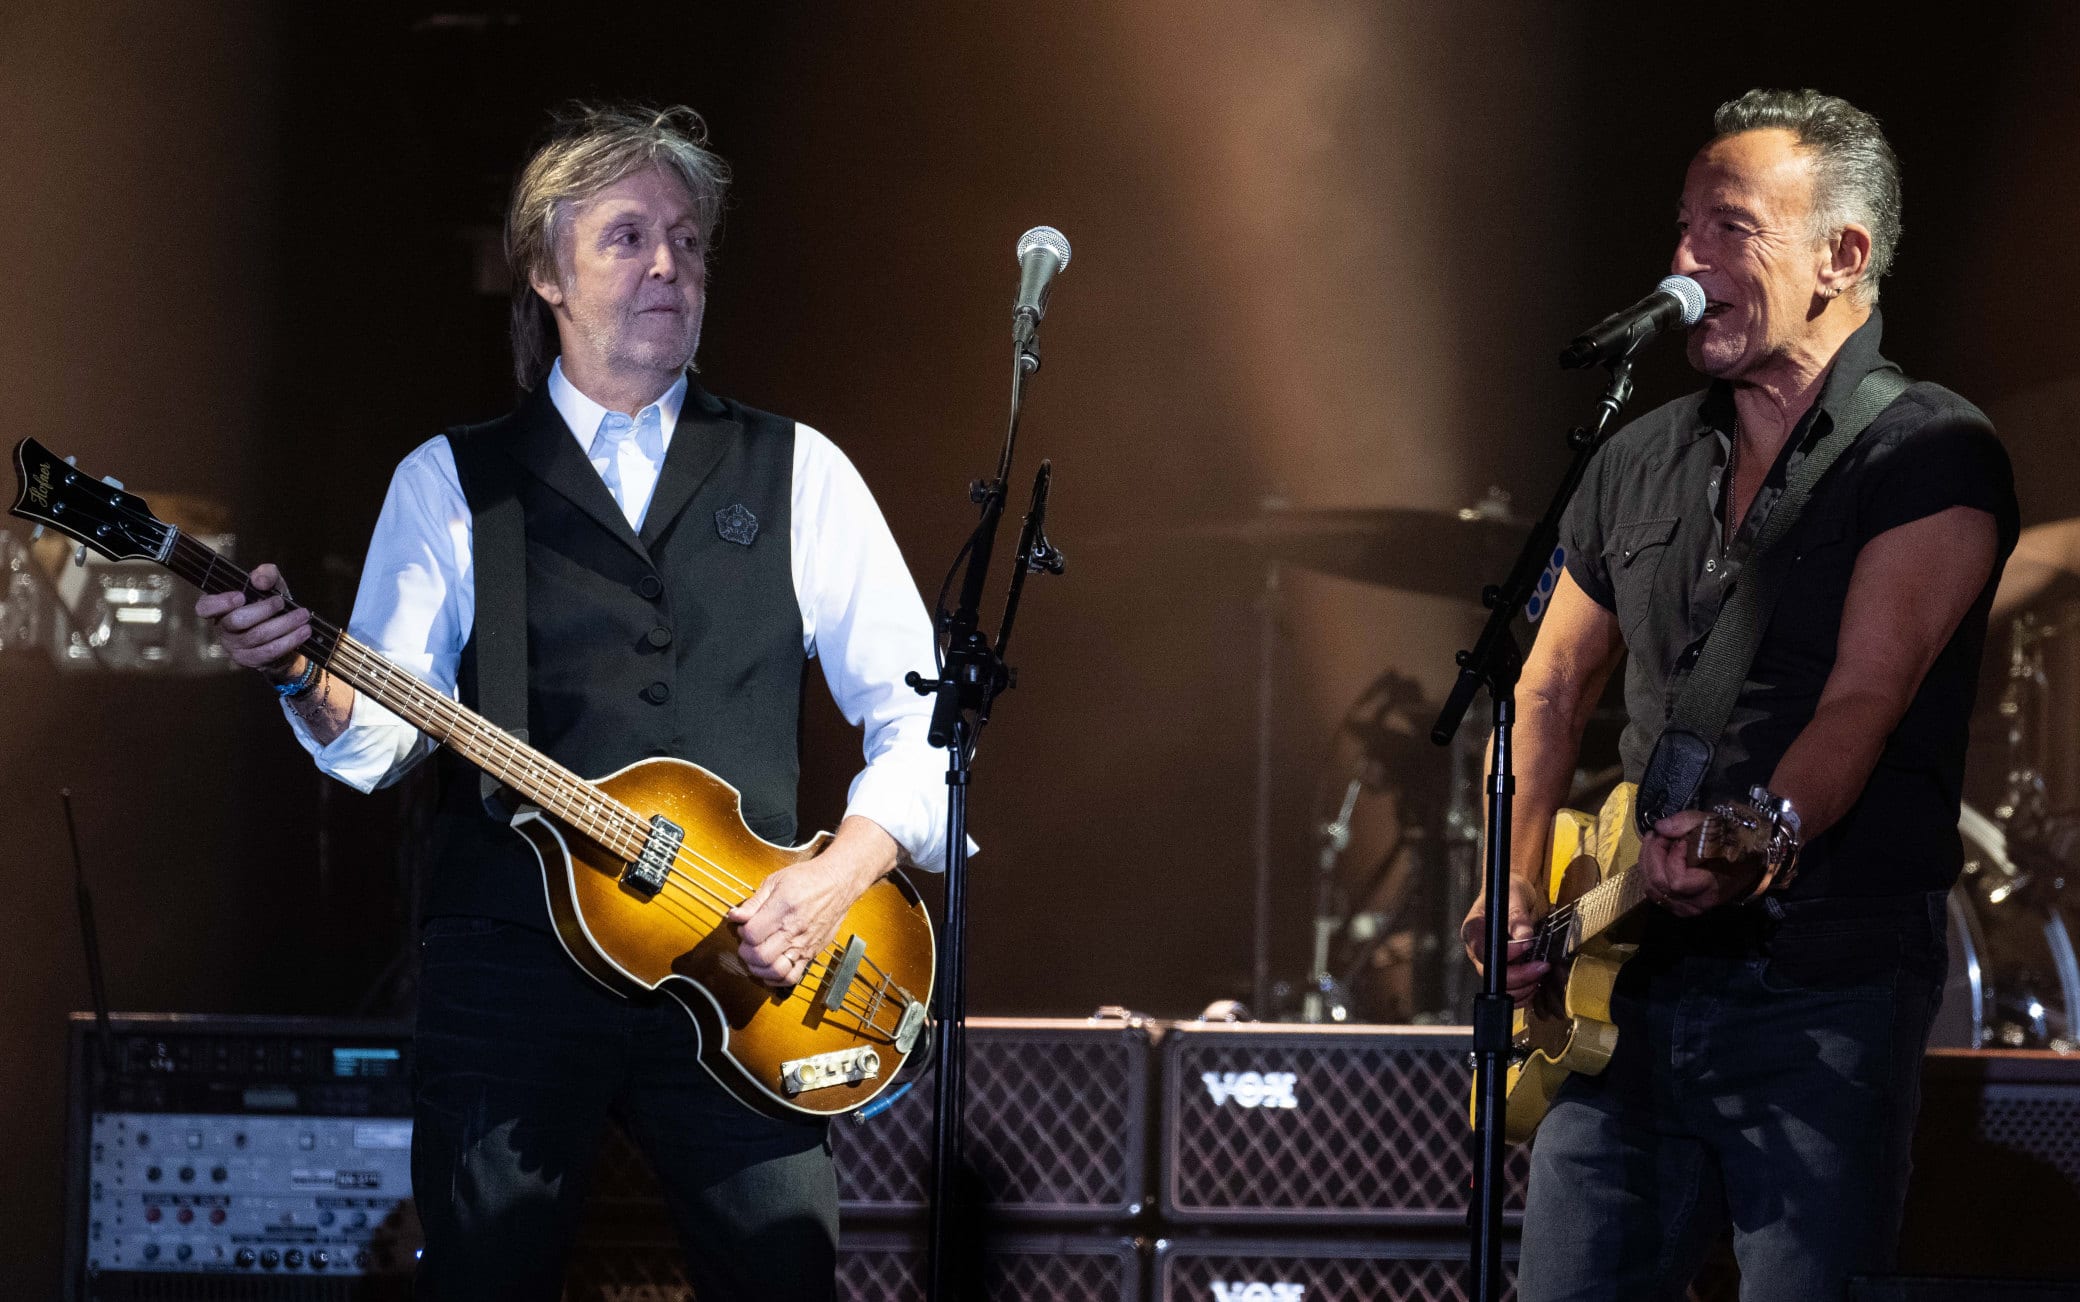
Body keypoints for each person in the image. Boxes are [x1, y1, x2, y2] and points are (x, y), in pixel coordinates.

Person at [196, 104, 949, 1301]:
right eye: (628, 237)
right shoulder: (451, 481)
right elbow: (383, 734)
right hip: (512, 967)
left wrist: (837, 873)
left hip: (754, 964)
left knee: (786, 1279)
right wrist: (302, 675)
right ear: (545, 272)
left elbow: (925, 720)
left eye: (689, 241)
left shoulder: (799, 467)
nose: (669, 265)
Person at [1461, 89, 2018, 1300]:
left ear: (1841, 256)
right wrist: (1509, 882)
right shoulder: (1639, 453)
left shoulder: (1931, 452)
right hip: (1624, 982)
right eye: (1680, 228)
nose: (1684, 262)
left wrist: (1758, 833)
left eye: (1726, 229)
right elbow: (1551, 681)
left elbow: (1864, 697)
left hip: (1820, 993)